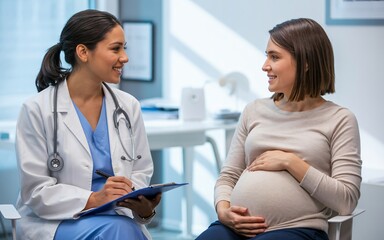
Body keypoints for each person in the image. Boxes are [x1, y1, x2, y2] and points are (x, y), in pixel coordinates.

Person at [196, 18, 362, 240]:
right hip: (233, 228)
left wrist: (290, 162)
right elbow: (229, 176)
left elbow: (346, 200)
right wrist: (224, 209)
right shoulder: (253, 110)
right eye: (267, 55)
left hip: (298, 229)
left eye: (274, 57)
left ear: (305, 62)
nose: (265, 65)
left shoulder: (340, 119)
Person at [15, 9, 161, 240]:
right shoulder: (37, 110)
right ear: (83, 52)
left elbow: (141, 172)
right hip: (56, 221)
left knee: (123, 229)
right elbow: (35, 192)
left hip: (118, 217)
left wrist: (142, 206)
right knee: (120, 231)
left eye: (125, 48)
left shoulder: (128, 106)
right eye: (116, 48)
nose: (125, 57)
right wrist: (94, 199)